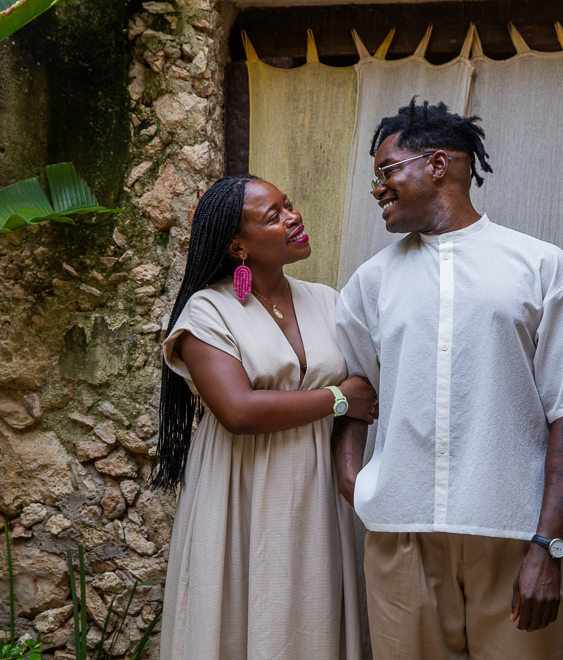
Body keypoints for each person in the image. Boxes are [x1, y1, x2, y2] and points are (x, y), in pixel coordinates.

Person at [331, 99, 563, 660]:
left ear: (437, 165)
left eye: (387, 171)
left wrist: (548, 545)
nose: (377, 189)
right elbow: (355, 394)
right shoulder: (370, 284)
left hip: (513, 533)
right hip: (401, 533)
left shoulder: (542, 268)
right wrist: (355, 482)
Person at [155, 174, 372, 660]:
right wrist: (340, 397)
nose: (293, 218)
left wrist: (347, 465)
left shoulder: (328, 301)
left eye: (288, 205)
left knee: (310, 614)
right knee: (238, 614)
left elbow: (367, 391)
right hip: (240, 487)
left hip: (315, 491)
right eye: (273, 217)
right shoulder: (208, 311)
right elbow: (238, 410)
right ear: (237, 246)